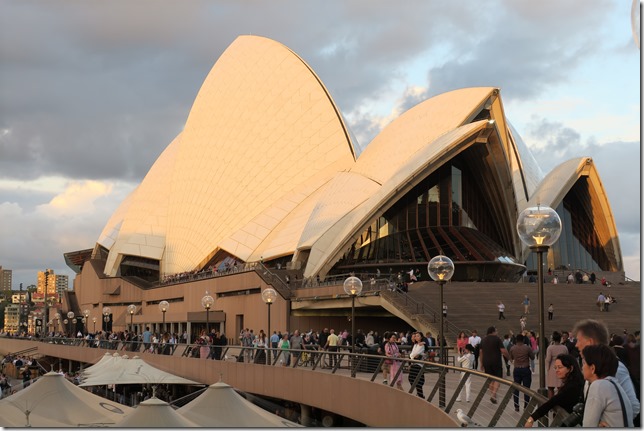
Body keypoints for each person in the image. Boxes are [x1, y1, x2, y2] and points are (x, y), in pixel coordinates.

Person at [573, 319, 640, 425]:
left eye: (578, 340)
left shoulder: (615, 368)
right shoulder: (593, 368)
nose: (576, 345)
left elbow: (634, 407)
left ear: (590, 342)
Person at [524, 354, 584, 427]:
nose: (557, 370)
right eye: (555, 368)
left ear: (570, 368)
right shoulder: (575, 382)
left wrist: (532, 418)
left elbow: (552, 402)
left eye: (560, 367)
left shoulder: (572, 386)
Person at [581, 344, 634, 427]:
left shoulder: (598, 386)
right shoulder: (614, 384)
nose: (582, 367)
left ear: (592, 368)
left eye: (584, 363)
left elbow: (588, 426)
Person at [479, 326, 509, 404]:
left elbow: (481, 352)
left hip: (486, 362)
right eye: (496, 331)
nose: (497, 332)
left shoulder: (483, 340)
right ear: (493, 332)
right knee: (498, 378)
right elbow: (503, 350)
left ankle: (492, 395)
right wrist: (509, 358)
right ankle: (493, 394)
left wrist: (481, 363)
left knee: (490, 379)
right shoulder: (497, 339)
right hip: (496, 361)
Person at [509, 334, 534, 411]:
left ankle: (516, 406)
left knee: (516, 388)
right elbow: (532, 357)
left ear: (516, 340)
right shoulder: (527, 348)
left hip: (517, 369)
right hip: (525, 369)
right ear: (523, 340)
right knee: (526, 388)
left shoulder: (512, 348)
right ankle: (526, 405)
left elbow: (511, 358)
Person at [545, 331, 569, 398]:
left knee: (550, 387)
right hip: (562, 366)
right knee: (560, 387)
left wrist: (547, 368)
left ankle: (551, 402)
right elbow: (567, 357)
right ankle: (559, 402)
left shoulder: (550, 348)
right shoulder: (564, 347)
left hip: (552, 367)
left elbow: (548, 359)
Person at [408, 332, 426, 398]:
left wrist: (413, 356)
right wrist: (413, 356)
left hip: (418, 364)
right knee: (411, 379)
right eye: (415, 336)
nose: (416, 337)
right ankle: (420, 394)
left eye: (418, 336)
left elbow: (416, 354)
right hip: (414, 363)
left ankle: (420, 394)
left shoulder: (422, 345)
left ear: (421, 337)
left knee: (418, 380)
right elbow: (412, 355)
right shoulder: (415, 345)